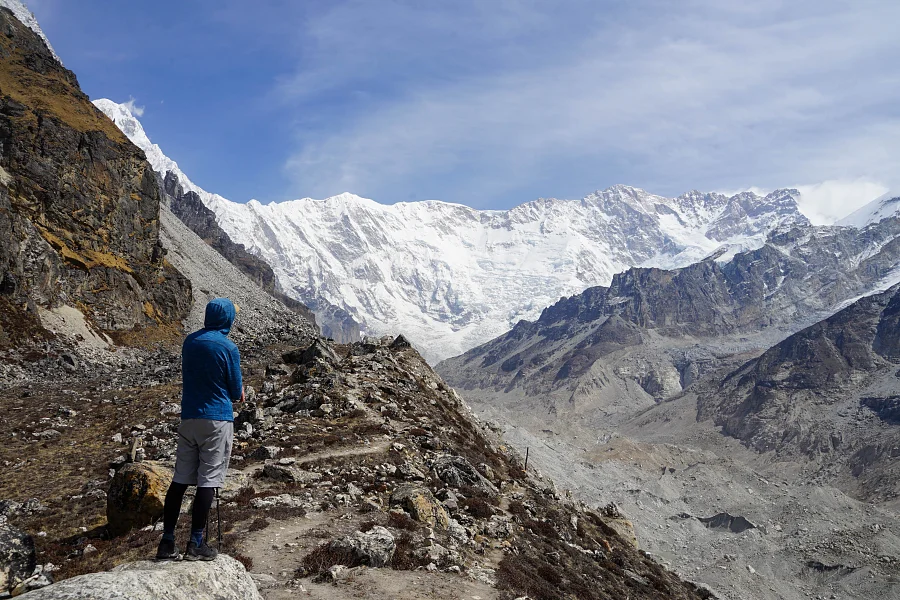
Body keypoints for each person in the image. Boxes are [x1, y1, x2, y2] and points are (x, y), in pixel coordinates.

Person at [156, 298, 243, 561]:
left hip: (189, 416)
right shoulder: (228, 347)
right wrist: (238, 394)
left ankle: (167, 541)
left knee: (180, 479)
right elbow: (235, 389)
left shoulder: (189, 342)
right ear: (227, 319)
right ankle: (196, 543)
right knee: (209, 480)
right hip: (217, 419)